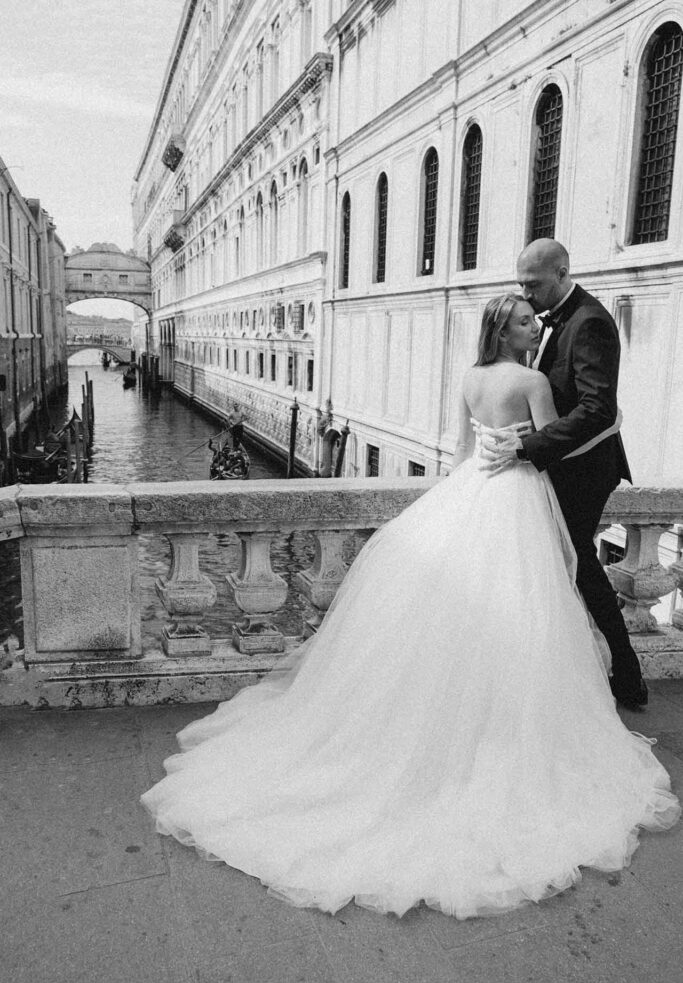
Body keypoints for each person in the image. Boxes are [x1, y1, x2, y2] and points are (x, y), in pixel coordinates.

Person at [141, 294, 679, 921]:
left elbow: (459, 451)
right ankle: (500, 729)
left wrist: (456, 501)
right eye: (528, 323)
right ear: (506, 331)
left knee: (467, 619)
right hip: (517, 499)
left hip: (469, 491)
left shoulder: (472, 377)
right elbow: (552, 445)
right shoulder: (531, 379)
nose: (538, 329)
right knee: (522, 619)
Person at [479, 239, 647, 712]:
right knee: (565, 565)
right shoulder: (554, 319)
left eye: (533, 285)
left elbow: (597, 409)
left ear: (561, 273)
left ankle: (624, 672)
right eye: (521, 285)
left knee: (577, 564)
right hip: (561, 463)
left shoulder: (589, 321)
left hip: (586, 469)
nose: (526, 294)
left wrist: (527, 447)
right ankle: (591, 672)